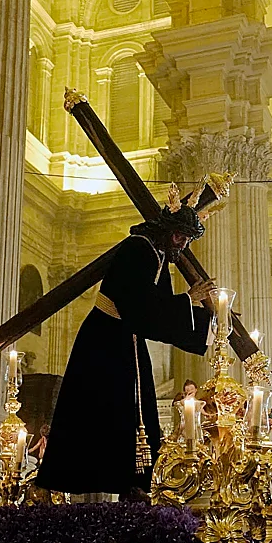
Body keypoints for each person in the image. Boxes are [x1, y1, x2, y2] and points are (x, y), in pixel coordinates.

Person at [36, 192, 214, 498]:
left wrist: (204, 318)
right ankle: (116, 481)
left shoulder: (156, 254)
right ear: (166, 230)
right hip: (106, 341)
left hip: (124, 338)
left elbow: (155, 313)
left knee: (133, 410)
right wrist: (189, 301)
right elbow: (143, 308)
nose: (182, 245)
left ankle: (133, 482)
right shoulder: (138, 249)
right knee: (107, 409)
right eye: (179, 236)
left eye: (186, 239)